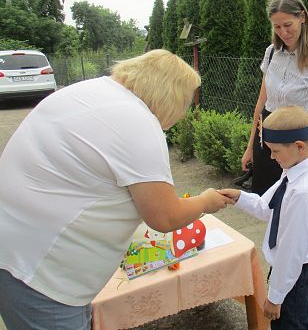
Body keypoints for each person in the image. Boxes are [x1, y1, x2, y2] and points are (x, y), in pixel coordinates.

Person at [0, 49, 234, 330]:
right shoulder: (138, 122)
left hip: (15, 251)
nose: (183, 113)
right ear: (169, 94)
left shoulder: (86, 91)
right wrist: (206, 201)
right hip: (43, 278)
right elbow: (165, 216)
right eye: (185, 102)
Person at [220, 105, 308, 329]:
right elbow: (265, 206)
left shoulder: (302, 192)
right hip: (287, 273)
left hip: (294, 278)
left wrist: (275, 297)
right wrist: (239, 197)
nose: (271, 156)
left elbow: (291, 251)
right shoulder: (293, 172)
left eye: (275, 151)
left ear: (299, 146)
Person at [242, 0, 308, 195]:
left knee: (293, 202)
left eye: (287, 24)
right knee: (266, 201)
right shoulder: (271, 53)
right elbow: (260, 103)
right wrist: (250, 148)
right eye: (277, 27)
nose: (283, 32)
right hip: (266, 137)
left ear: (302, 17)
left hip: (297, 143)